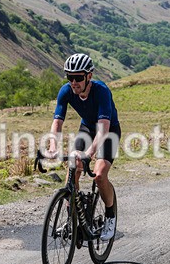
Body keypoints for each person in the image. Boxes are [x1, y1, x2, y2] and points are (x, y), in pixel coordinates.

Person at [48, 53, 121, 241]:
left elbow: (104, 128)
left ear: (89, 76)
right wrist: (52, 147)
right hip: (87, 127)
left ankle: (110, 217)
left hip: (108, 129)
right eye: (69, 77)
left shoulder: (102, 91)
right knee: (73, 168)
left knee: (99, 175)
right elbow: (57, 122)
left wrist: (89, 153)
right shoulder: (66, 91)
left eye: (78, 77)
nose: (74, 82)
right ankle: (73, 218)